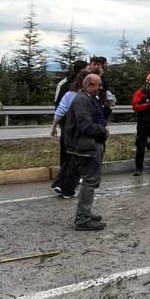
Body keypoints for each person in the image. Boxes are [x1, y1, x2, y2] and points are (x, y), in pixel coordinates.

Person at [64, 73, 109, 231]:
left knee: (90, 181)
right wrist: (102, 130)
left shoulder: (88, 98)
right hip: (85, 146)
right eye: (98, 85)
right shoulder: (82, 100)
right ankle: (82, 219)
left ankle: (86, 213)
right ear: (89, 85)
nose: (100, 88)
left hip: (87, 145)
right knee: (90, 181)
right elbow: (85, 126)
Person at [51, 67, 97, 199]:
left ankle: (60, 184)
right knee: (77, 160)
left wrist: (54, 127)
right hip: (80, 132)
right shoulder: (86, 97)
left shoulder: (69, 95)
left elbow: (60, 111)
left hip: (67, 130)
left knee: (69, 159)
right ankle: (68, 189)